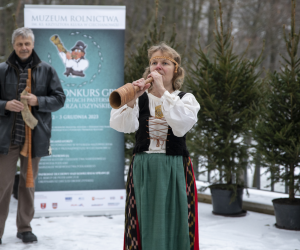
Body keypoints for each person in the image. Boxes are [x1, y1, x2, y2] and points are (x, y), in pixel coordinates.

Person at [110, 43, 200, 250]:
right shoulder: (140, 97)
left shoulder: (185, 99)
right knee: (144, 220)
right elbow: (121, 125)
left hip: (175, 167)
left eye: (165, 63)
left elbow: (181, 126)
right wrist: (132, 98)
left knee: (177, 219)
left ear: (175, 69)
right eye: (154, 63)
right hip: (144, 166)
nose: (158, 67)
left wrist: (162, 92)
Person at [0, 27, 66, 244]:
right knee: (3, 184)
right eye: (19, 44)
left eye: (27, 43)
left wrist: (39, 101)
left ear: (33, 44)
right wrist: (5, 104)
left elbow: (59, 99)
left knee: (27, 185)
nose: (23, 47)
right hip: (6, 139)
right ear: (14, 45)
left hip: (33, 137)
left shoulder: (46, 70)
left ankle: (24, 228)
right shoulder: (2, 70)